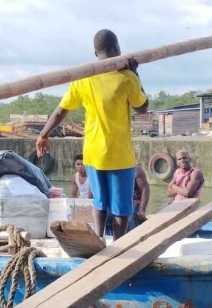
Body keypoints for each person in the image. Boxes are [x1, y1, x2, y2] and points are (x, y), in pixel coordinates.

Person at [37, 29, 148, 238]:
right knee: (121, 207)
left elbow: (61, 110)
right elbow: (142, 108)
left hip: (93, 153)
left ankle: (98, 238)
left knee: (99, 201)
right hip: (119, 155)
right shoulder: (126, 77)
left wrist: (43, 134)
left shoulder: (83, 79)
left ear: (95, 52)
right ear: (117, 49)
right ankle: (118, 243)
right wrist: (136, 74)